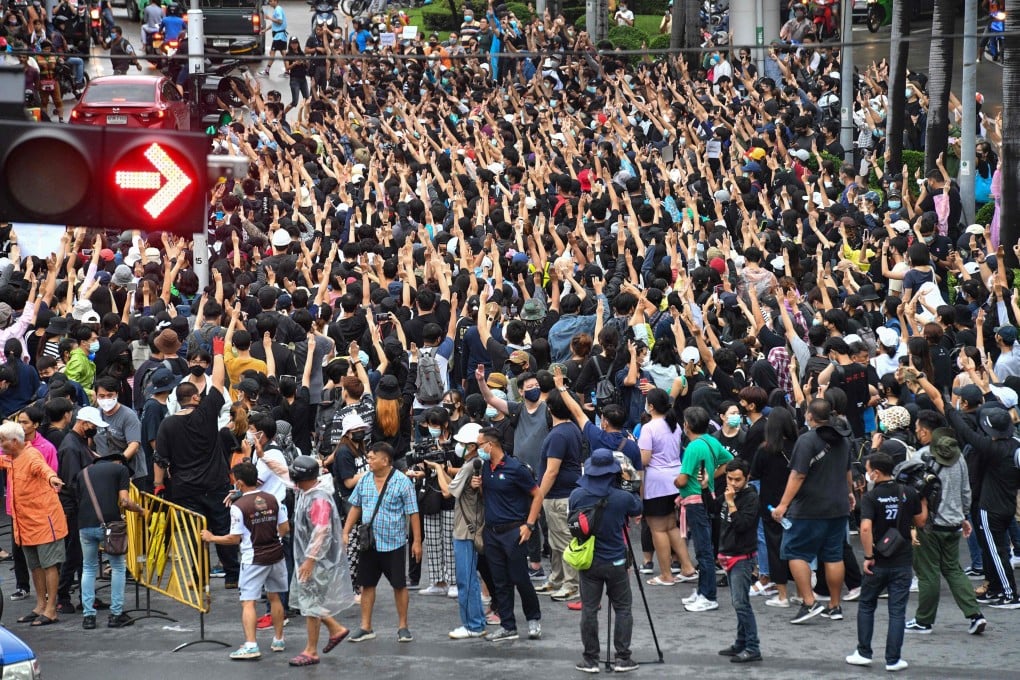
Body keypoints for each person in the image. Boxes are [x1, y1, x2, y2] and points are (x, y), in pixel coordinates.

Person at [154, 335, 240, 589]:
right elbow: (219, 381)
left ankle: (199, 575)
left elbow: (160, 457)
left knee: (193, 533)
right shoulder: (207, 412)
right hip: (215, 484)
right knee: (223, 527)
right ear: (194, 398)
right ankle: (232, 576)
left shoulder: (167, 424)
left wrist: (159, 485)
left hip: (185, 488)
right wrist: (218, 352)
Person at [772, 398, 855, 625]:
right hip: (838, 506)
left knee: (794, 551)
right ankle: (834, 605)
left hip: (809, 507)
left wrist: (783, 504)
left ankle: (809, 602)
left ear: (809, 415)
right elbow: (847, 472)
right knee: (833, 555)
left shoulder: (807, 440)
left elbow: (798, 474)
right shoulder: (843, 439)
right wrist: (849, 493)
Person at [846, 453, 927, 672]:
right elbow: (921, 521)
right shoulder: (908, 492)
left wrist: (869, 556)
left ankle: (864, 652)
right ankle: (893, 659)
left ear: (877, 473)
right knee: (897, 611)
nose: (866, 473)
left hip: (879, 561)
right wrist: (924, 499)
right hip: (902, 561)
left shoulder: (871, 497)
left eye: (868, 469)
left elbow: (865, 528)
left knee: (867, 605)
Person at [202, 462, 290, 660]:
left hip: (253, 558)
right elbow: (284, 528)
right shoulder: (273, 498)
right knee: (275, 596)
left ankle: (251, 645)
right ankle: (278, 639)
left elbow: (234, 539)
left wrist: (211, 537)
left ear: (240, 483)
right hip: (276, 553)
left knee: (248, 602)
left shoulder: (238, 507)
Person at [905, 428, 987, 635]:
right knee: (953, 569)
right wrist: (964, 516)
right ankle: (975, 615)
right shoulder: (959, 458)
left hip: (929, 525)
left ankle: (923, 621)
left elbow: (911, 491)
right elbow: (966, 491)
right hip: (954, 523)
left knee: (928, 572)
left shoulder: (922, 456)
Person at [570, 449, 642, 674]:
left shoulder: (577, 495)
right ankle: (623, 657)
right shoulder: (622, 497)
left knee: (589, 610)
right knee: (623, 608)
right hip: (616, 561)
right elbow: (638, 507)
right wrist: (628, 482)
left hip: (589, 561)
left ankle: (590, 659)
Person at [342, 442, 421, 644]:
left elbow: (413, 513)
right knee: (367, 585)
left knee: (399, 585)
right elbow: (356, 507)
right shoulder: (365, 480)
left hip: (394, 542)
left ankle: (403, 626)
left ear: (385, 460)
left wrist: (417, 542)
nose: (368, 461)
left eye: (372, 458)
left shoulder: (402, 481)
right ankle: (365, 627)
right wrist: (346, 531)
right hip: (369, 543)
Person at [473, 427, 544, 642]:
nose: (478, 450)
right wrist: (477, 487)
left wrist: (529, 525)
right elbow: (488, 496)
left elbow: (537, 494)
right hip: (492, 533)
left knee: (520, 578)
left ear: (490, 445)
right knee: (500, 581)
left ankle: (533, 620)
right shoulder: (485, 468)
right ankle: (507, 625)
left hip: (514, 531)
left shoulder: (516, 468)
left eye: (479, 445)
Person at [287, 455, 353, 667]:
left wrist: (310, 559)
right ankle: (334, 630)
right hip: (309, 560)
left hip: (316, 562)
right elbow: (281, 475)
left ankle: (312, 650)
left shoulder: (318, 499)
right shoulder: (307, 491)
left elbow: (321, 531)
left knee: (311, 605)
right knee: (309, 603)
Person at [0, 421, 66, 627]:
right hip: (25, 523)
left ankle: (51, 609)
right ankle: (40, 605)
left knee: (49, 565)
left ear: (14, 441)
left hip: (44, 521)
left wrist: (53, 478)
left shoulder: (32, 456)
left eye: (2, 440)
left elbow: (44, 470)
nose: (0, 444)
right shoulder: (11, 458)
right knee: (35, 566)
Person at [75, 446, 145, 630]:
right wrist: (140, 510)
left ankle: (88, 616)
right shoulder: (120, 469)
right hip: (110, 526)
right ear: (120, 461)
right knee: (118, 567)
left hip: (85, 525)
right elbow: (124, 501)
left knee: (88, 568)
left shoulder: (83, 473)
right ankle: (116, 614)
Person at [429, 422, 488, 639]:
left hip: (466, 530)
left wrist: (437, 470)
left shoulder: (470, 466)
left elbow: (447, 492)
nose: (459, 447)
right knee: (470, 578)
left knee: (466, 579)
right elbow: (453, 487)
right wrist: (441, 470)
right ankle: (477, 621)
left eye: (462, 444)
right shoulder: (474, 465)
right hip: (468, 527)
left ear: (472, 446)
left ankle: (473, 625)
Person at [673, 405, 733, 611]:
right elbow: (730, 461)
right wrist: (713, 476)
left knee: (703, 550)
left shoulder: (692, 447)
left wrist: (676, 483)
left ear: (687, 425)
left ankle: (708, 595)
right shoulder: (712, 441)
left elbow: (682, 479)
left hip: (695, 502)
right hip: (707, 497)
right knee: (705, 548)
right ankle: (702, 591)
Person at [709, 459, 762, 664]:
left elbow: (742, 525)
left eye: (737, 479)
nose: (733, 483)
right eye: (729, 478)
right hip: (729, 553)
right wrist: (706, 487)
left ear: (747, 478)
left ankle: (752, 646)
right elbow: (714, 509)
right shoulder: (729, 493)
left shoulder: (750, 498)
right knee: (738, 602)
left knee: (741, 603)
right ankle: (741, 642)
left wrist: (731, 503)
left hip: (743, 556)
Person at [536, 389, 584, 602]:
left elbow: (552, 470)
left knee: (563, 540)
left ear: (551, 409)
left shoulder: (558, 434)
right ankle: (557, 578)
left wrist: (538, 496)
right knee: (555, 540)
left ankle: (571, 583)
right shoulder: (571, 428)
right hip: (563, 494)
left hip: (558, 496)